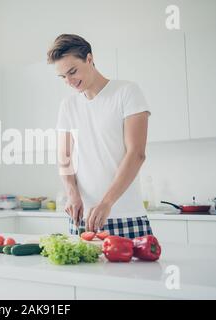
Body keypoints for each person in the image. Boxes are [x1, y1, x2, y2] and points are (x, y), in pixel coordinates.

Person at [48, 34, 153, 238]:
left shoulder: (126, 92)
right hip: (83, 220)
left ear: (89, 59)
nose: (69, 81)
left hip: (125, 216)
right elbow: (65, 157)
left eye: (72, 71)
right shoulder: (68, 106)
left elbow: (136, 153)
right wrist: (72, 194)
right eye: (62, 77)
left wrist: (107, 202)